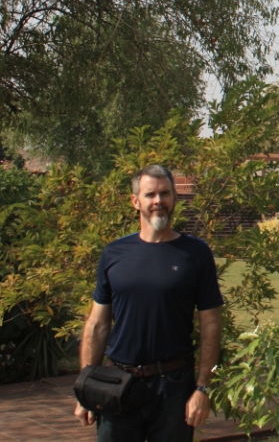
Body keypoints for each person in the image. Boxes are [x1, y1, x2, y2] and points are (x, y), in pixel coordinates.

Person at [74, 164, 223, 442]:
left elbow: (211, 325)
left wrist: (203, 388)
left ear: (174, 198)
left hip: (174, 386)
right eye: (150, 194)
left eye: (165, 193)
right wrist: (86, 389)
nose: (158, 201)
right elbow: (97, 325)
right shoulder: (114, 253)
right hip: (117, 385)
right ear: (135, 201)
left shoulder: (195, 254)